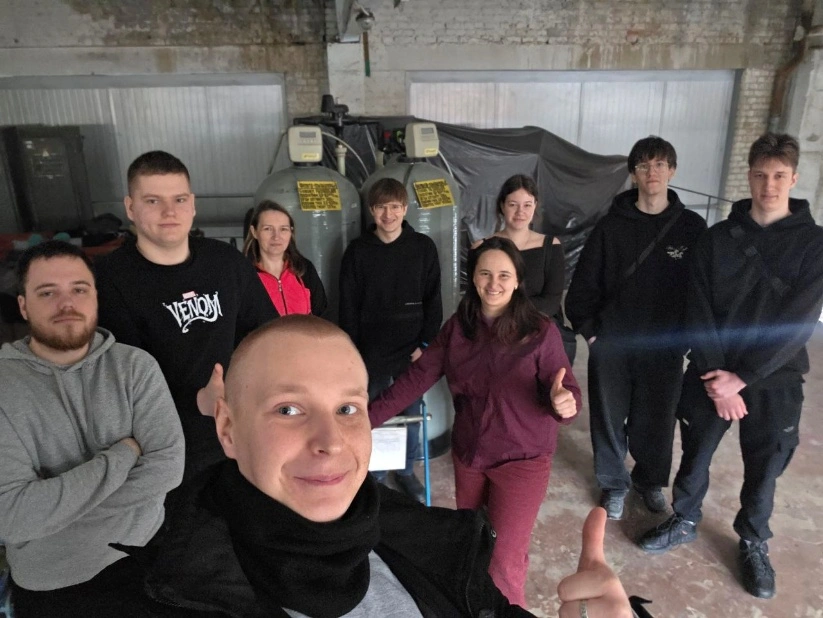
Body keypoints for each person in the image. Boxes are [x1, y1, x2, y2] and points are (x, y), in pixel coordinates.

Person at [128, 315, 633, 618]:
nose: (330, 442)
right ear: (227, 429)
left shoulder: (433, 547)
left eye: (347, 409)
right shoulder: (149, 597)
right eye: (289, 409)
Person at [637, 133, 823, 600]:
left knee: (765, 464)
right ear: (749, 176)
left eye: (779, 175)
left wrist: (743, 379)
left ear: (794, 179)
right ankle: (685, 518)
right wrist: (718, 376)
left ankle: (753, 540)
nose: (768, 185)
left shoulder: (814, 245)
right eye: (760, 174)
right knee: (695, 450)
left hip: (774, 376)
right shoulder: (717, 239)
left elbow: (799, 322)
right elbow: (697, 308)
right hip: (711, 370)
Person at [370, 237, 582, 607]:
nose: (493, 283)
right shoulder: (458, 328)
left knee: (504, 561)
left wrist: (565, 403)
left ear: (517, 281)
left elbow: (567, 391)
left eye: (504, 275)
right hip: (470, 454)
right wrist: (366, 419)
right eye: (485, 273)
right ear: (473, 278)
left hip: (522, 459)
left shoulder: (539, 331)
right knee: (470, 542)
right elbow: (416, 378)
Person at [0, 240, 185, 617]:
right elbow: (14, 516)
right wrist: (123, 456)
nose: (66, 304)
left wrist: (53, 514)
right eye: (47, 292)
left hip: (146, 558)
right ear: (23, 305)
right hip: (53, 583)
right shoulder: (4, 386)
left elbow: (168, 467)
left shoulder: (136, 367)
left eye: (79, 289)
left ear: (95, 297)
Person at [95, 151, 278, 479]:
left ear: (192, 204)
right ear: (130, 208)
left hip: (240, 437)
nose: (169, 211)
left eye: (179, 199)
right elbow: (117, 385)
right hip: (164, 451)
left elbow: (267, 335)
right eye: (153, 201)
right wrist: (198, 402)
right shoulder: (109, 280)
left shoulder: (226, 262)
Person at [565, 136, 706, 521]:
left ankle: (649, 481)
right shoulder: (610, 227)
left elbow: (704, 290)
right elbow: (581, 288)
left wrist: (688, 340)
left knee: (657, 420)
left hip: (664, 348)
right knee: (608, 418)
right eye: (643, 165)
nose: (652, 172)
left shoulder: (692, 228)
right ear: (633, 174)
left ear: (672, 171)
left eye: (659, 164)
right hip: (613, 343)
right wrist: (593, 334)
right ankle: (613, 483)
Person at [339, 177, 442, 502]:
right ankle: (375, 475)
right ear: (372, 210)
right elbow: (348, 306)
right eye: (381, 207)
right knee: (371, 416)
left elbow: (434, 301)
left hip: (410, 354)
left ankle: (406, 471)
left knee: (411, 416)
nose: (388, 214)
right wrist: (354, 353)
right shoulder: (357, 252)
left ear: (405, 208)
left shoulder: (423, 248)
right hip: (370, 355)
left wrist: (424, 346)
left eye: (395, 206)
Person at [473, 174, 574, 361]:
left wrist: (512, 318)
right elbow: (476, 297)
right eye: (513, 204)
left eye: (527, 205)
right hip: (493, 329)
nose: (520, 212)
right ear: (502, 206)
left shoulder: (551, 246)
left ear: (535, 206)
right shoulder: (481, 248)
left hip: (539, 327)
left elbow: (551, 301)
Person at [243, 200, 328, 317]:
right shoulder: (244, 275)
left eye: (283, 229)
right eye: (268, 229)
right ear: (254, 232)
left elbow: (322, 316)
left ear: (291, 232)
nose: (276, 237)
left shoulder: (304, 269)